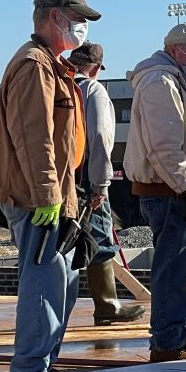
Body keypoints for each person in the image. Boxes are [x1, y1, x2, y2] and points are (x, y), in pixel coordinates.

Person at [0, 0, 101, 372]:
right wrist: (48, 194)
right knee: (44, 282)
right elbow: (36, 138)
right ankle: (30, 368)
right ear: (55, 17)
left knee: (60, 281)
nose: (82, 28)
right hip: (38, 197)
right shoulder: (34, 65)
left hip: (56, 194)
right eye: (78, 19)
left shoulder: (51, 65)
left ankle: (42, 363)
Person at [124, 23, 186, 361]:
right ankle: (167, 343)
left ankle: (179, 335)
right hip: (169, 191)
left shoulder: (176, 81)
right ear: (177, 50)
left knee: (185, 271)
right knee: (174, 270)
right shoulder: (159, 83)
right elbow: (164, 146)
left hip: (178, 189)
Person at [67, 42, 145, 327]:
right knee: (99, 236)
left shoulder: (55, 85)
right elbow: (100, 138)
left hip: (59, 174)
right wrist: (101, 184)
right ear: (97, 68)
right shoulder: (92, 90)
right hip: (87, 172)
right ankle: (107, 305)